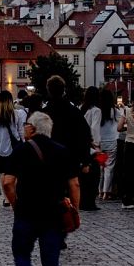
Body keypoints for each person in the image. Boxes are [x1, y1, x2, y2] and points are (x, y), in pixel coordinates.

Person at [3, 111, 80, 266]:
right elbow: (74, 184)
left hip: (27, 211)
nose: (24, 127)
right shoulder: (63, 151)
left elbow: (8, 182)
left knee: (21, 253)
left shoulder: (21, 151)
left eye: (26, 124)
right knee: (51, 260)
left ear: (33, 129)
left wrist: (14, 203)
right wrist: (74, 209)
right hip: (54, 213)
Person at [42, 75, 93, 211]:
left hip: (49, 157)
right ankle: (72, 210)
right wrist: (86, 160)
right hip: (71, 155)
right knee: (72, 183)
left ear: (48, 90)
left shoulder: (44, 113)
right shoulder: (74, 111)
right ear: (63, 90)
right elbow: (85, 135)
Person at [0, 90, 26, 207]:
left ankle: (6, 198)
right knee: (15, 173)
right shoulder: (16, 113)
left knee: (3, 173)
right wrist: (24, 142)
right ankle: (14, 194)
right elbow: (20, 131)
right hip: (14, 147)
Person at [117, 90, 134, 209]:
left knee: (128, 172)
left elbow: (119, 127)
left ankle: (127, 200)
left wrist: (127, 129)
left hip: (129, 143)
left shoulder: (126, 111)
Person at [94, 89, 120, 201]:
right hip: (112, 142)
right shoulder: (114, 111)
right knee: (109, 167)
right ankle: (106, 192)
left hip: (100, 143)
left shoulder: (98, 111)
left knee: (101, 166)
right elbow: (121, 123)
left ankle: (99, 191)